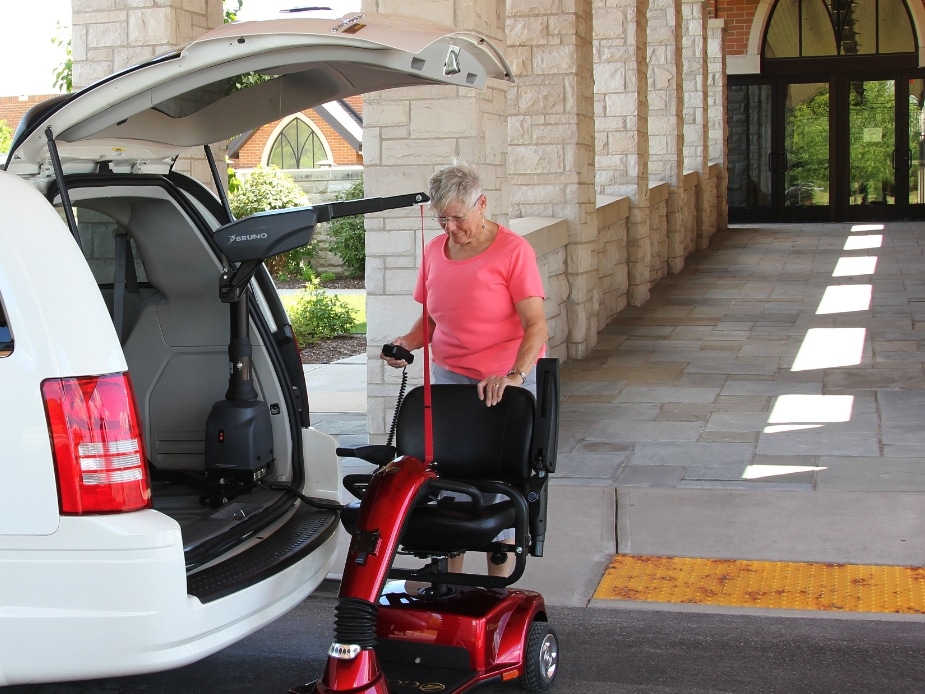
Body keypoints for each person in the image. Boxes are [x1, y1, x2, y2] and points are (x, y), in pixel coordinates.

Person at [381, 161, 548, 577]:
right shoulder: (434, 252)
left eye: (458, 217)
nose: (450, 228)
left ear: (482, 204)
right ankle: (449, 581)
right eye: (442, 219)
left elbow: (536, 325)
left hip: (502, 382)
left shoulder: (513, 251)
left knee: (500, 485)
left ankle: (496, 587)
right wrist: (406, 344)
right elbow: (432, 320)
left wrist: (514, 376)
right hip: (451, 381)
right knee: (450, 479)